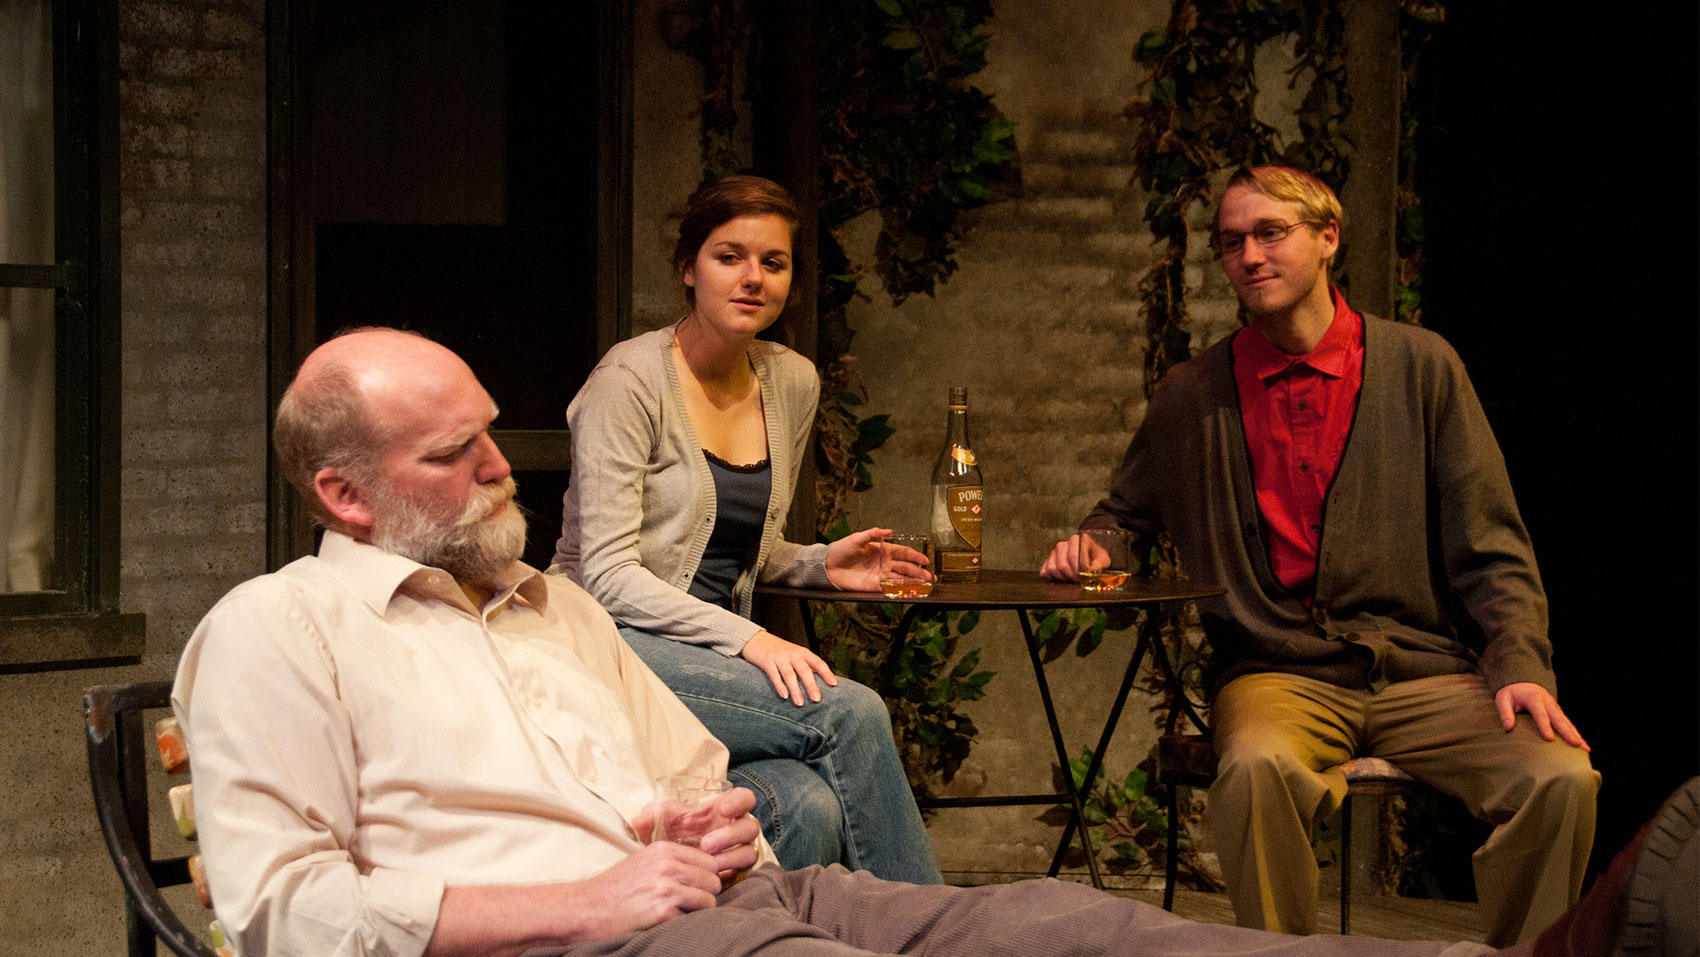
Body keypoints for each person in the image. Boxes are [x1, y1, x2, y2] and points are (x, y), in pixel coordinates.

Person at [174, 325, 1619, 956]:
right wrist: (592, 903)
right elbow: (288, 916)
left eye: (496, 433)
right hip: (587, 941)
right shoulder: (277, 631)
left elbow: (683, 766)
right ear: (342, 493)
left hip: (744, 901)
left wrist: (711, 815)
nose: (503, 469)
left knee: (1067, 922)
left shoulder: (543, 605)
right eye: (455, 454)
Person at [1041, 166, 1599, 946]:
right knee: (1255, 770)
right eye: (1232, 242)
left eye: (1272, 233)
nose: (1250, 256)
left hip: (1421, 670)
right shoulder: (1195, 392)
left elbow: (1493, 546)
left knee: (1559, 778)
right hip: (1276, 673)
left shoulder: (1421, 367)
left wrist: (1522, 665)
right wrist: (1092, 545)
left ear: (1328, 237)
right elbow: (1124, 514)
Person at [549, 175, 939, 882]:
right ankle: (932, 932)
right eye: (729, 256)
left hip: (702, 657)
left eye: (774, 262)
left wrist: (818, 564)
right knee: (849, 713)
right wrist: (750, 639)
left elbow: (734, 546)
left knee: (806, 805)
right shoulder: (628, 382)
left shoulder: (790, 380)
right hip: (601, 647)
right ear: (687, 267)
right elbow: (607, 577)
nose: (753, 277)